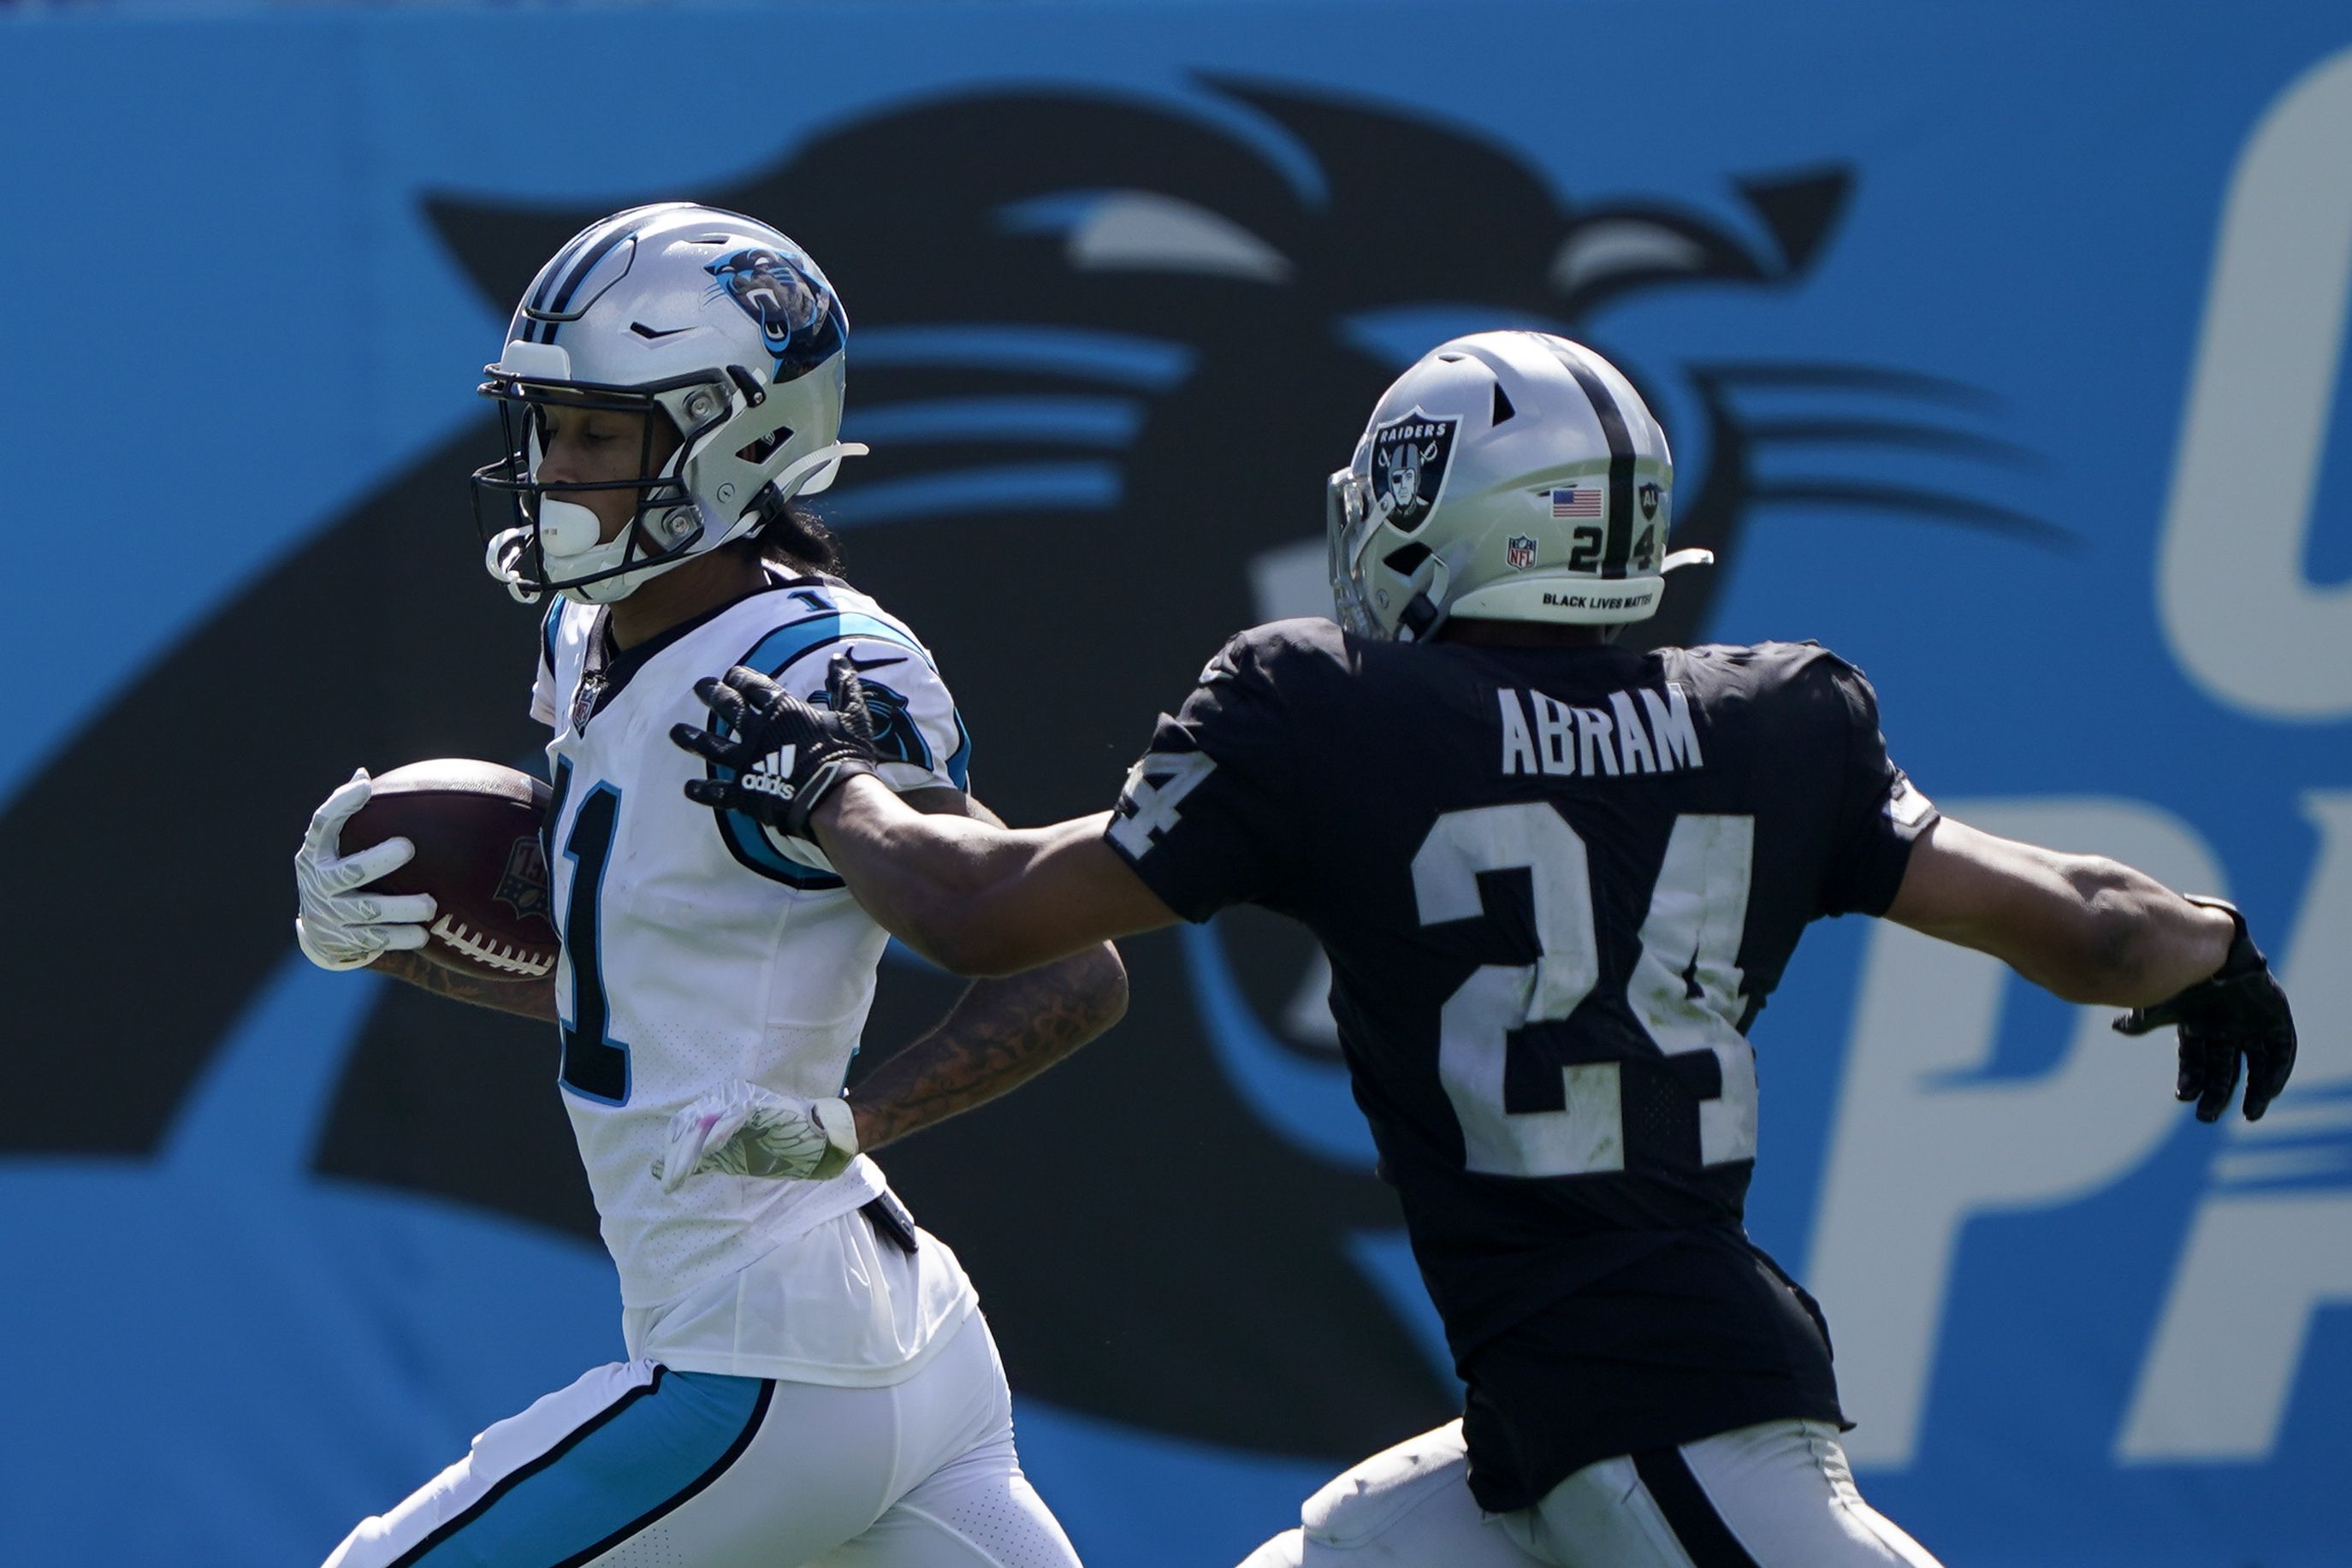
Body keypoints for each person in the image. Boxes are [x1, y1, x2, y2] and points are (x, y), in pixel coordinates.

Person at [666, 329, 2296, 1567]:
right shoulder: (1773, 719)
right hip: (1575, 1413)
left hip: (1651, 1405)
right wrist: (2210, 948)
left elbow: (980, 908)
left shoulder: (1333, 713)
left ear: (1447, 518)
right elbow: (2088, 927)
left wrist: (825, 783)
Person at [292, 203, 1123, 1567]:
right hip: (886, 1346)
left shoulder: (814, 664)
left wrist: (851, 1116)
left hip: (766, 1362)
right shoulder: (593, 635)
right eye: (548, 427)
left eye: (599, 433)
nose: (555, 467)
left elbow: (1067, 963)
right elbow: (644, 971)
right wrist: (395, 939)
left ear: (742, 435)